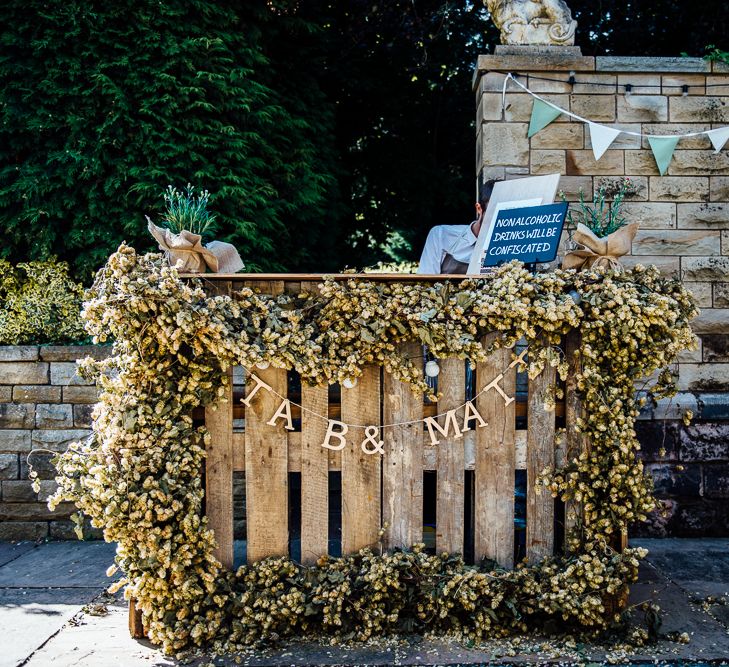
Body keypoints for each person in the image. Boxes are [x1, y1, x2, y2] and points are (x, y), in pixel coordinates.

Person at [417, 179, 498, 274]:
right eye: (494, 212)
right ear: (479, 209)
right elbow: (425, 280)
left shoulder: (508, 247)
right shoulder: (440, 235)